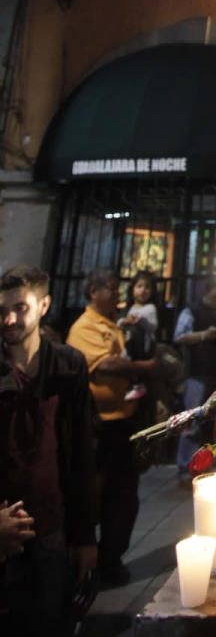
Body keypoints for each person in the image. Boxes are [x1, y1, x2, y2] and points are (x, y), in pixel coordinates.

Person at [1, 265, 98, 634]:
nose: (9, 319)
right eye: (1, 310)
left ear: (43, 306)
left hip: (51, 522)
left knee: (50, 622)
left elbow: (79, 454)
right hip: (4, 524)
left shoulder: (68, 365)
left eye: (20, 308)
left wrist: (85, 534)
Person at [67, 267, 156, 586]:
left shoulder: (111, 324)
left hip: (122, 421)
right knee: (99, 492)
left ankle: (111, 557)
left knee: (123, 494)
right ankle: (91, 561)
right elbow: (104, 363)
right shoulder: (86, 326)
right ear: (93, 292)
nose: (117, 293)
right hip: (99, 427)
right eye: (110, 288)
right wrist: (141, 367)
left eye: (118, 288)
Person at [174, 281, 216, 473]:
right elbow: (180, 336)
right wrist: (204, 335)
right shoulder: (192, 311)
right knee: (191, 422)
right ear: (206, 293)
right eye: (214, 298)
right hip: (198, 374)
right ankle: (186, 466)